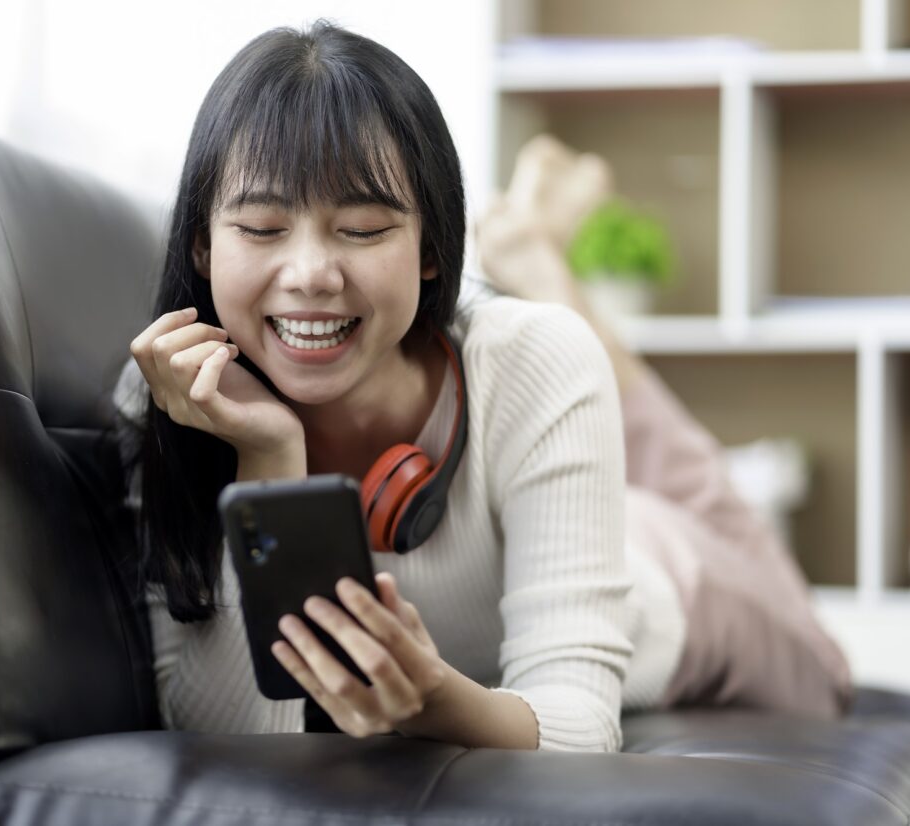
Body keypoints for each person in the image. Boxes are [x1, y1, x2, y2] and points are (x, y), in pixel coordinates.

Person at [113, 20, 852, 754]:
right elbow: (231, 736)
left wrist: (431, 699)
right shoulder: (173, 395)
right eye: (262, 228)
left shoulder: (533, 358)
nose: (310, 274)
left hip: (669, 580)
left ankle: (547, 272)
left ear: (434, 249)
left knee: (822, 663)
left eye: (364, 229)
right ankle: (537, 258)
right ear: (204, 245)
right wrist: (269, 460)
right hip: (541, 494)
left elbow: (578, 732)